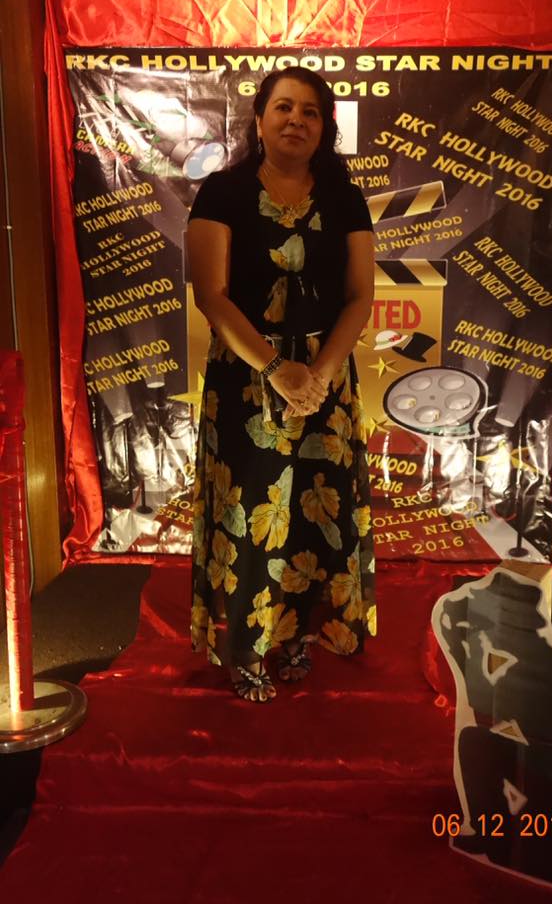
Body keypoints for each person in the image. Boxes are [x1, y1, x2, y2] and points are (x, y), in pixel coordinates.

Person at [188, 66, 376, 702]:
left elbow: (360, 296)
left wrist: (319, 373)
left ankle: (296, 634)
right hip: (247, 380)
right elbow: (211, 295)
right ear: (260, 120)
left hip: (326, 383)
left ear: (325, 127)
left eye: (311, 111)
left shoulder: (346, 197)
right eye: (284, 108)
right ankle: (245, 645)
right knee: (248, 513)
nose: (297, 120)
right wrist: (276, 369)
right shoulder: (223, 192)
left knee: (316, 514)